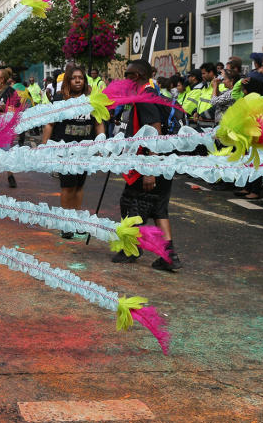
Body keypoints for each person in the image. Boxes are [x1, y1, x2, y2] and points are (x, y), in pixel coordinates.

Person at [111, 59, 181, 271]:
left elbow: (155, 129)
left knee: (130, 203)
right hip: (165, 161)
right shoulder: (155, 95)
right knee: (159, 209)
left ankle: (131, 248)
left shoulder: (144, 97)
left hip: (149, 162)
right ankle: (169, 257)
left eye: (129, 75)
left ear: (138, 76)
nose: (126, 79)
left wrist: (149, 170)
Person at [41, 65, 105, 235]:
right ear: (69, 80)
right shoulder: (61, 98)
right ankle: (66, 224)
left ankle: (76, 221)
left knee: (79, 186)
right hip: (65, 150)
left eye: (81, 78)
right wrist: (44, 145)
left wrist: (101, 144)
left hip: (86, 150)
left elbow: (99, 123)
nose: (78, 80)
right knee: (68, 187)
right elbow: (50, 123)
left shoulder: (91, 99)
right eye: (74, 78)